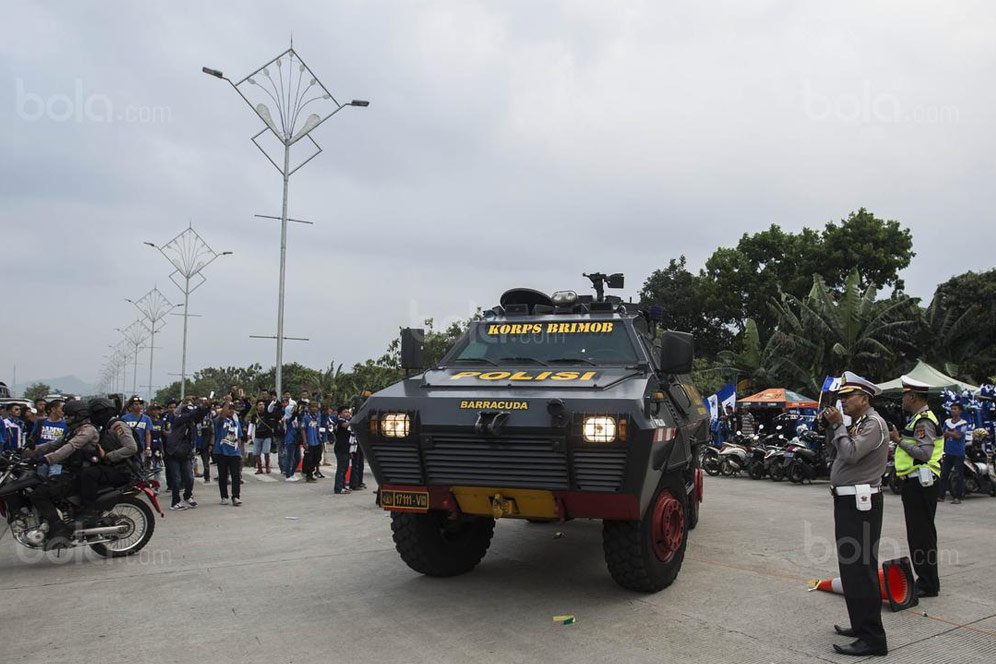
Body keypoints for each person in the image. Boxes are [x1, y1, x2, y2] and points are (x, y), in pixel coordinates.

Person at [820, 371, 889, 657]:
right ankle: (861, 626)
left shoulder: (873, 424)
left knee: (861, 570)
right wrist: (833, 427)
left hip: (861, 505)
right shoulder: (859, 423)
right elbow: (838, 451)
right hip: (849, 503)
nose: (843, 402)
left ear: (864, 398)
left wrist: (838, 426)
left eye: (848, 397)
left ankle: (873, 638)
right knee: (851, 569)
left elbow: (850, 454)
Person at [890, 376, 943, 599]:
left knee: (921, 535)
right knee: (921, 533)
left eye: (904, 395)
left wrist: (899, 440)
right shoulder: (918, 419)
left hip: (921, 482)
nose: (902, 399)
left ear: (912, 396)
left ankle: (928, 583)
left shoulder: (923, 421)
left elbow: (925, 453)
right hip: (917, 482)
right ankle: (927, 579)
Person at [21, 399, 99, 543]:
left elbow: (69, 447)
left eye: (69, 416)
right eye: (66, 415)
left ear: (79, 415)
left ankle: (59, 529)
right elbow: (54, 444)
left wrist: (46, 459)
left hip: (81, 475)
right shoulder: (74, 430)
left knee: (39, 494)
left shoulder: (88, 430)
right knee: (38, 486)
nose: (66, 418)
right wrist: (30, 451)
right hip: (70, 472)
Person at [78, 398, 139, 516]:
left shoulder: (118, 425)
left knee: (89, 475)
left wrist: (107, 456)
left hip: (123, 468)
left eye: (97, 414)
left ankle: (89, 512)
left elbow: (131, 448)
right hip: (114, 466)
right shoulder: (104, 426)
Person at [164, 402, 208, 510]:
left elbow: (200, 414)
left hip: (186, 455)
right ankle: (175, 502)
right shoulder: (178, 420)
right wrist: (200, 407)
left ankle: (187, 497)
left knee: (189, 478)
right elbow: (191, 414)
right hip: (173, 453)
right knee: (177, 480)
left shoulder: (192, 423)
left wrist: (207, 406)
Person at [938, 402, 970, 504]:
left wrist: (949, 433)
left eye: (955, 409)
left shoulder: (963, 423)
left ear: (960, 411)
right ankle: (940, 495)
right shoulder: (947, 421)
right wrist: (952, 433)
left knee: (958, 475)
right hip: (948, 451)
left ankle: (957, 497)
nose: (953, 411)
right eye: (952, 409)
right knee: (943, 474)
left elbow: (958, 436)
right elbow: (943, 434)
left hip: (958, 453)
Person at [213, 401, 243, 505]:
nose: (230, 410)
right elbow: (221, 416)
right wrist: (226, 401)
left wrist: (239, 451)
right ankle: (224, 496)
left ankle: (235, 496)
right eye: (228, 408)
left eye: (232, 408)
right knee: (223, 476)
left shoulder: (236, 422)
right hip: (222, 452)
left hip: (234, 453)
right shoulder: (219, 420)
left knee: (235, 475)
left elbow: (239, 437)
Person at [30, 399, 68, 477]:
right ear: (53, 409)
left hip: (57, 460)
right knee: (40, 481)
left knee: (53, 482)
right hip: (41, 459)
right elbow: (33, 437)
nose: (64, 411)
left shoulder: (66, 425)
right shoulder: (40, 422)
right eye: (62, 409)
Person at [246, 398, 275, 474]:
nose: (261, 406)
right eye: (260, 405)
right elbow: (251, 424)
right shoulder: (255, 415)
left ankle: (267, 467)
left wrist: (273, 402)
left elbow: (271, 408)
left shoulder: (267, 413)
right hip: (258, 436)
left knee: (266, 452)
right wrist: (249, 434)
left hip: (267, 436)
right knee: (256, 453)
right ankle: (259, 468)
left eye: (263, 404)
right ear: (256, 406)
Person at [121, 397, 153, 463]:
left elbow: (148, 434)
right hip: (127, 447)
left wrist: (148, 448)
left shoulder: (146, 419)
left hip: (141, 447)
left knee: (140, 466)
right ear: (131, 406)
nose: (138, 406)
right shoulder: (124, 418)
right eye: (136, 404)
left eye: (140, 404)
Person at [301, 400, 322, 482]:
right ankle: (308, 475)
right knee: (309, 459)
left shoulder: (317, 417)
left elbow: (318, 427)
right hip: (309, 441)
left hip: (317, 440)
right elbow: (303, 429)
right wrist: (305, 441)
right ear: (309, 408)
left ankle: (311, 472)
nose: (314, 409)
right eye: (313, 407)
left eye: (316, 407)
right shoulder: (306, 417)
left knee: (317, 458)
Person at [333, 406, 352, 494]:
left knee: (345, 468)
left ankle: (343, 486)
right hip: (341, 448)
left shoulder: (347, 421)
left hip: (347, 448)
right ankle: (338, 488)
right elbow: (344, 426)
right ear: (340, 414)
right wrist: (354, 419)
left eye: (348, 412)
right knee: (341, 468)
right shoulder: (340, 421)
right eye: (345, 412)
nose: (347, 413)